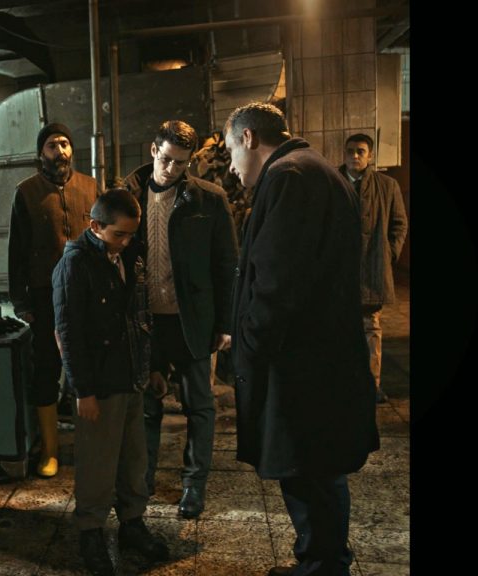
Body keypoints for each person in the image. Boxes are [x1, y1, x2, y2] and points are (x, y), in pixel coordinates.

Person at [224, 102, 380, 576]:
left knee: (308, 472)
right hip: (318, 359)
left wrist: (249, 345)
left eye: (230, 151)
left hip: (302, 367)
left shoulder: (290, 176)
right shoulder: (314, 170)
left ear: (249, 138)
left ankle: (322, 567)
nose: (231, 166)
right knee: (315, 472)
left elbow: (277, 280)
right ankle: (319, 561)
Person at [124, 120, 238, 516]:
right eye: (168, 159)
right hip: (146, 322)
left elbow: (227, 265)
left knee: (199, 406)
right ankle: (143, 480)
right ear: (154, 150)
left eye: (182, 163)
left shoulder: (209, 199)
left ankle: (194, 486)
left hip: (192, 320)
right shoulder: (127, 196)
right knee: (147, 407)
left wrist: (225, 324)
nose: (173, 169)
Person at [53, 189, 169, 576]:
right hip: (100, 383)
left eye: (131, 234)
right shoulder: (75, 264)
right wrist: (83, 390)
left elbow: (142, 315)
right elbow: (67, 333)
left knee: (134, 460)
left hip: (131, 376)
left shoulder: (130, 256)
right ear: (95, 226)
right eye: (119, 234)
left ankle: (132, 524)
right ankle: (91, 532)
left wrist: (154, 367)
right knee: (97, 464)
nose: (126, 242)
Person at [8, 122, 99, 477]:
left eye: (64, 143)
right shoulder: (26, 192)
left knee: (87, 369)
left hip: (86, 294)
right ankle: (50, 451)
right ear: (40, 153)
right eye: (51, 145)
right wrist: (21, 302)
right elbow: (16, 252)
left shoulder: (91, 187)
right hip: (44, 296)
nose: (60, 151)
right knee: (46, 370)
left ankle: (89, 445)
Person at [339, 133, 408, 404]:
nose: (355, 156)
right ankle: (343, 384)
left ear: (370, 155)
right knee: (339, 329)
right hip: (339, 273)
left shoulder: (387, 186)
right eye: (350, 151)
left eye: (360, 151)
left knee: (370, 328)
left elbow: (399, 224)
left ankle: (371, 385)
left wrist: (388, 254)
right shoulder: (332, 182)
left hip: (372, 270)